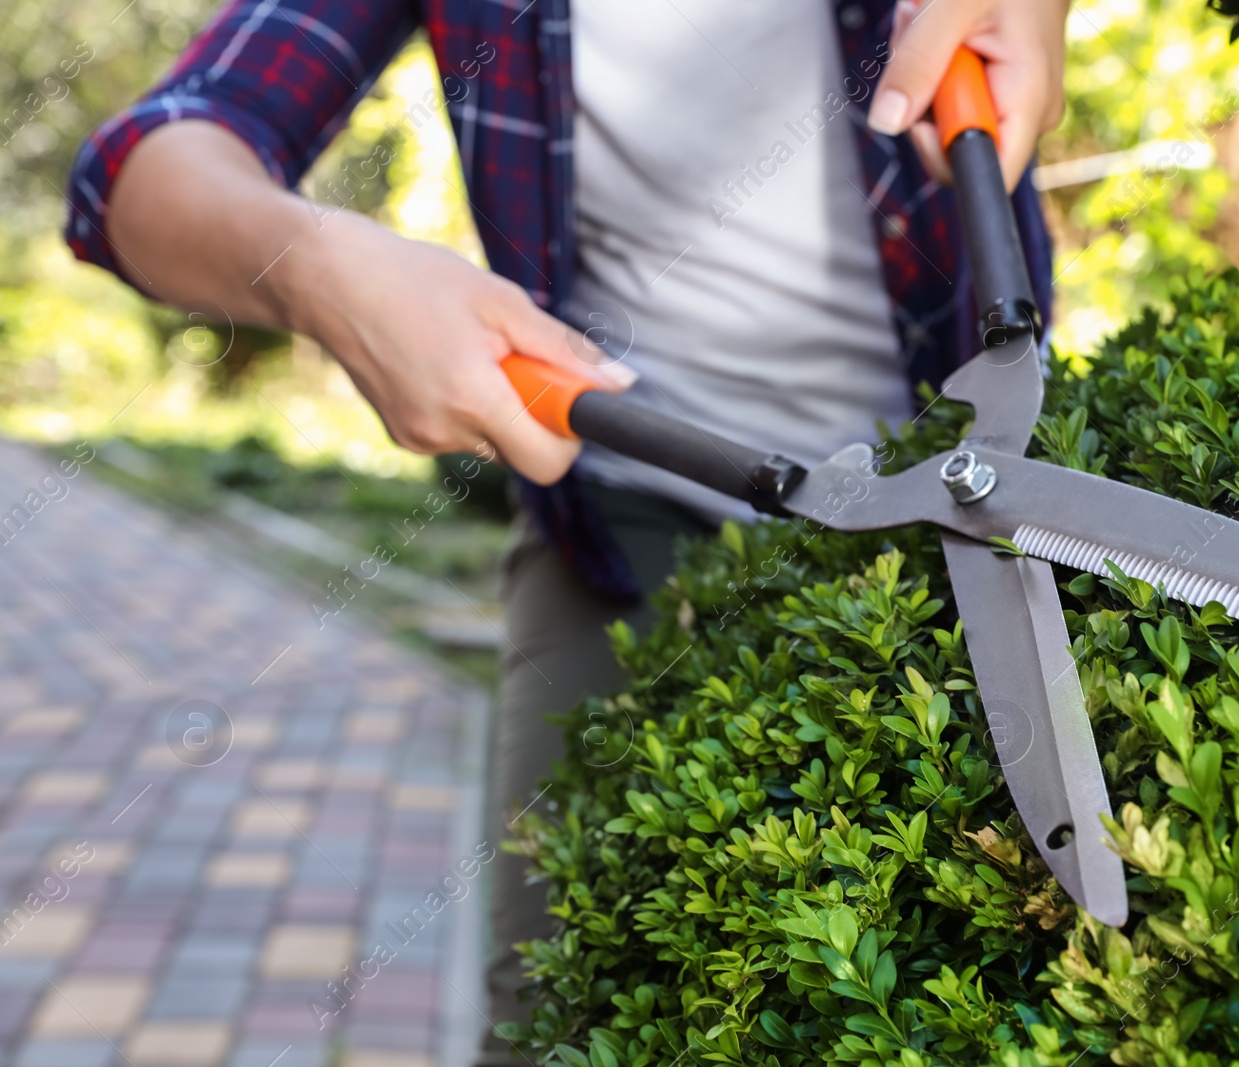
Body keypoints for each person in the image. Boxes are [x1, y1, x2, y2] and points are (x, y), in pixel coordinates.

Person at [65, 0, 1067, 1061]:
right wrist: (316, 266)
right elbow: (137, 173)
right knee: (558, 1017)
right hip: (620, 509)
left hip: (966, 479)